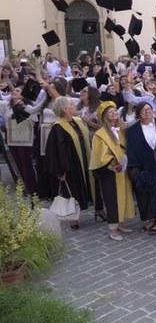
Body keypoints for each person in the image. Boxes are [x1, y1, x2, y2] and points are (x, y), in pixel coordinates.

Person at [44, 97, 94, 230]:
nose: (74, 105)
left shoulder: (77, 121)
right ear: (64, 110)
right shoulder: (58, 127)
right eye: (71, 104)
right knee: (72, 190)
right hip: (71, 165)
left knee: (89, 186)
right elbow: (57, 151)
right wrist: (61, 171)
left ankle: (98, 209)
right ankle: (73, 217)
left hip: (84, 160)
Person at [89, 101, 135, 241]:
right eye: (109, 112)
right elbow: (98, 154)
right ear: (104, 116)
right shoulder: (100, 134)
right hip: (109, 170)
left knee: (123, 195)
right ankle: (112, 229)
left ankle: (120, 223)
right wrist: (110, 164)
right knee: (112, 199)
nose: (113, 113)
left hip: (122, 168)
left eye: (115, 110)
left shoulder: (120, 130)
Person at [126, 102, 156, 235]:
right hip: (143, 166)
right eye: (144, 110)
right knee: (145, 194)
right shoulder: (132, 130)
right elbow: (131, 149)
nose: (147, 112)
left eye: (149, 109)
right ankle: (150, 219)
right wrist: (134, 169)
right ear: (138, 113)